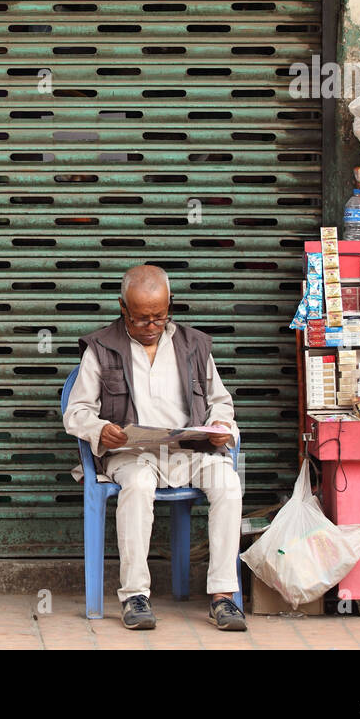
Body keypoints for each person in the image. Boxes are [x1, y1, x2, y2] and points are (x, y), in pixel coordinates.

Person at [62, 264, 246, 631]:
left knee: (228, 484)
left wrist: (223, 427)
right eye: (141, 318)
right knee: (138, 485)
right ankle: (134, 596)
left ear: (170, 306)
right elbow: (76, 412)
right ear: (122, 308)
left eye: (159, 317)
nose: (150, 326)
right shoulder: (101, 347)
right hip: (132, 455)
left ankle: (223, 597)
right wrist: (101, 429)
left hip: (189, 452)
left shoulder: (194, 345)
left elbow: (220, 402)